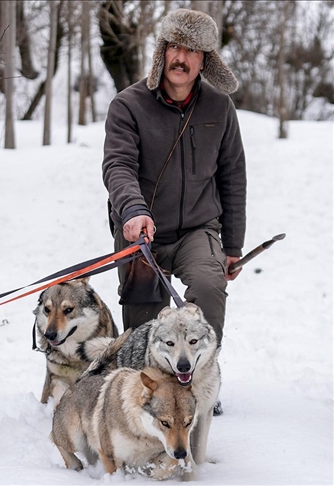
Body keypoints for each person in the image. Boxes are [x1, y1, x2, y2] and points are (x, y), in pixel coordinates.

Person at [102, 8, 246, 381]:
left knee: (209, 286)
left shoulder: (220, 107)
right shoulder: (128, 105)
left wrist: (233, 245)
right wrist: (133, 211)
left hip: (197, 231)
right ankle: (147, 387)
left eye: (192, 50)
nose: (181, 58)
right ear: (162, 51)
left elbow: (232, 176)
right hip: (141, 232)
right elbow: (118, 165)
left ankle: (200, 379)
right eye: (174, 47)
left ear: (205, 60)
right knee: (143, 327)